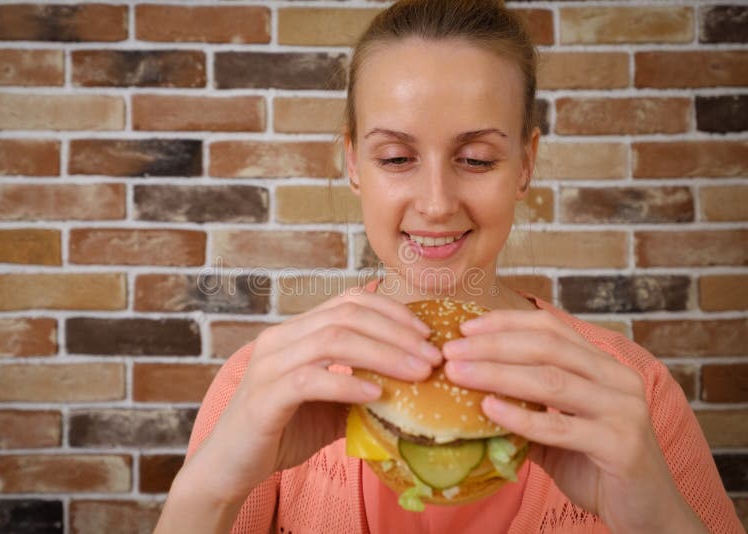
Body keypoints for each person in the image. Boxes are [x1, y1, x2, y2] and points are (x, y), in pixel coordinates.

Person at [154, 0, 743, 532]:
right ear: (354, 163)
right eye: (396, 157)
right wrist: (207, 493)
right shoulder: (263, 386)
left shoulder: (629, 395)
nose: (436, 203)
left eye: (476, 159)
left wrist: (659, 521)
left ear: (526, 164)